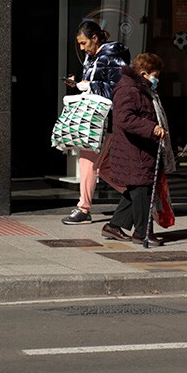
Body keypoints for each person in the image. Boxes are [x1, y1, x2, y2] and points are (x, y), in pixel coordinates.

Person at [98, 53, 176, 246]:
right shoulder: (128, 89)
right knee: (142, 191)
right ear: (144, 73)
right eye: (155, 75)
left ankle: (114, 225)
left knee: (138, 189)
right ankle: (142, 233)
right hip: (134, 150)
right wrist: (152, 128)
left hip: (141, 148)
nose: (157, 79)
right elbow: (124, 119)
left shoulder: (141, 88)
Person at [61, 20, 130, 225]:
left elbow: (118, 88)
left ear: (95, 38)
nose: (82, 48)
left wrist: (86, 85)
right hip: (98, 118)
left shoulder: (111, 57)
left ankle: (83, 209)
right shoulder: (94, 58)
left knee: (87, 160)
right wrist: (79, 84)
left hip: (104, 119)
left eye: (84, 43)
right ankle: (138, 195)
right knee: (104, 167)